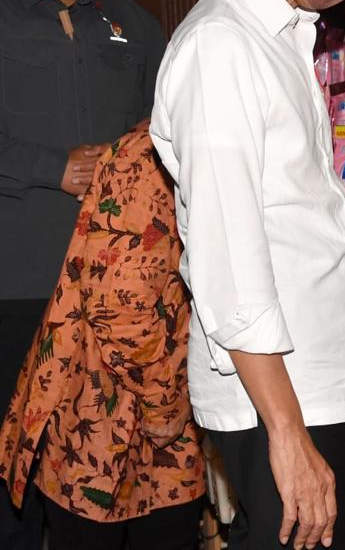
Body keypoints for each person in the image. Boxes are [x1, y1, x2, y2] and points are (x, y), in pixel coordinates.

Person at [150, 0, 345, 550]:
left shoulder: (282, 35)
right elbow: (229, 260)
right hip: (276, 397)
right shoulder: (222, 47)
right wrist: (286, 432)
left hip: (307, 384)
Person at [0, 0, 166, 549]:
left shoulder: (126, 21)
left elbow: (171, 124)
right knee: (16, 460)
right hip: (21, 282)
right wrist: (51, 168)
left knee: (100, 467)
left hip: (115, 288)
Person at [0, 122, 206, 550]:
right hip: (107, 399)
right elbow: (120, 311)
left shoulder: (185, 142)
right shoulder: (145, 158)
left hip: (164, 390)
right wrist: (163, 403)